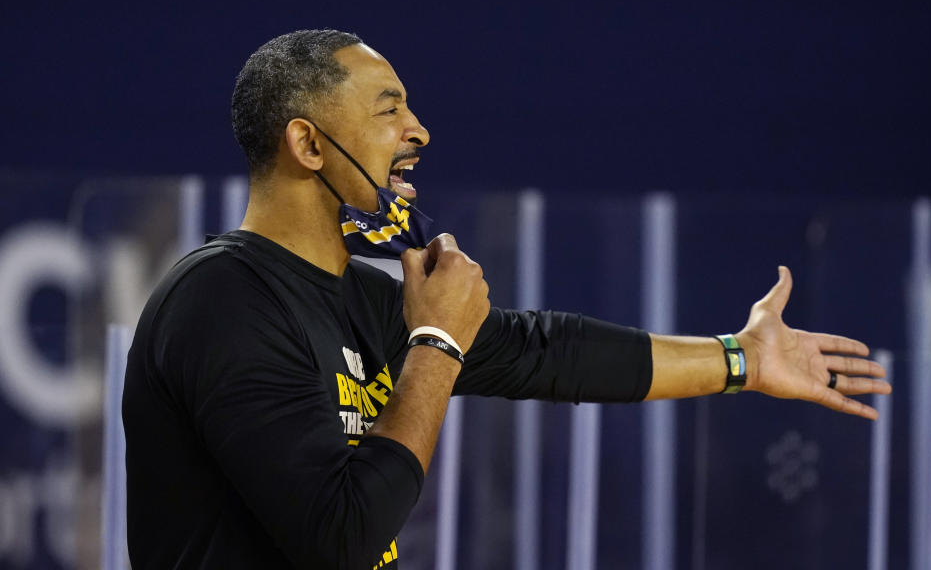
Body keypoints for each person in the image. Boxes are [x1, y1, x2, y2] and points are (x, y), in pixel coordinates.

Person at [122, 29, 891, 569]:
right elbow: (341, 538)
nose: (417, 130)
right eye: (390, 110)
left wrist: (739, 359)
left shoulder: (364, 297)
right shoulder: (221, 300)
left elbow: (547, 353)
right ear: (310, 144)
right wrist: (437, 348)